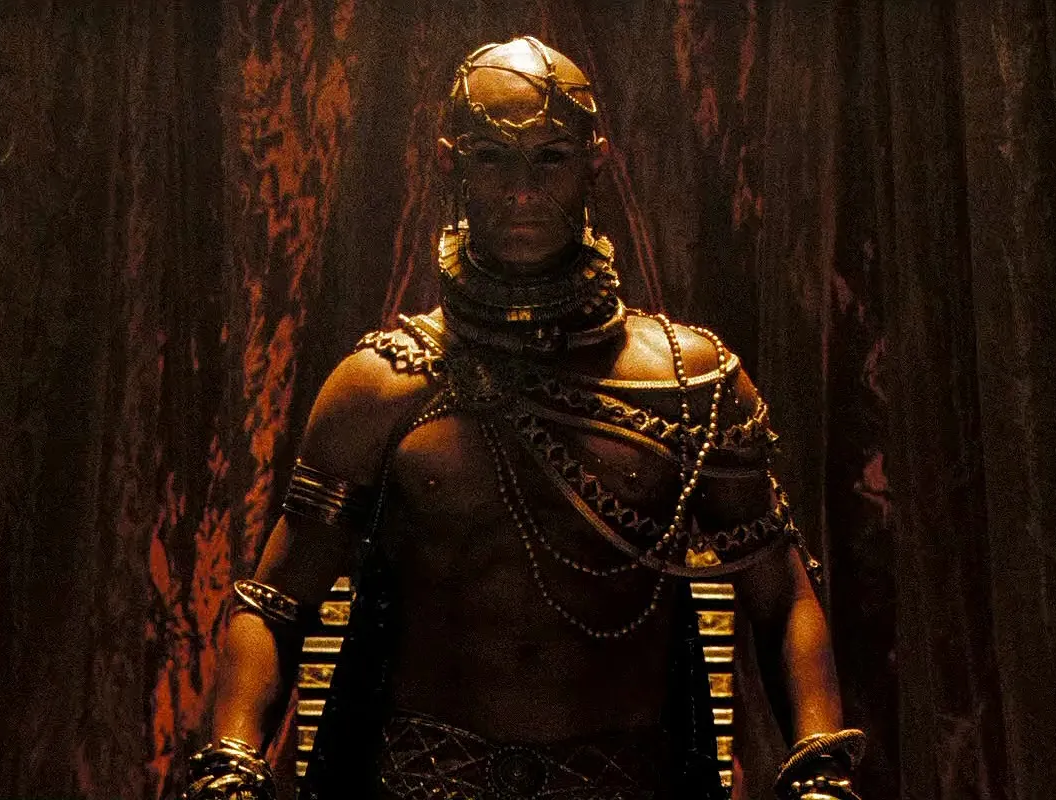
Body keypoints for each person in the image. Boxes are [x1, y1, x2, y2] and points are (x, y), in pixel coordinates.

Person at [175, 36, 864, 800]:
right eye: (492, 157)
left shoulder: (688, 380)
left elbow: (782, 596)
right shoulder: (380, 386)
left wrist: (819, 764)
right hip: (419, 787)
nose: (522, 189)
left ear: (594, 162)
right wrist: (233, 758)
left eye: (549, 157)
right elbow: (275, 603)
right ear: (451, 164)